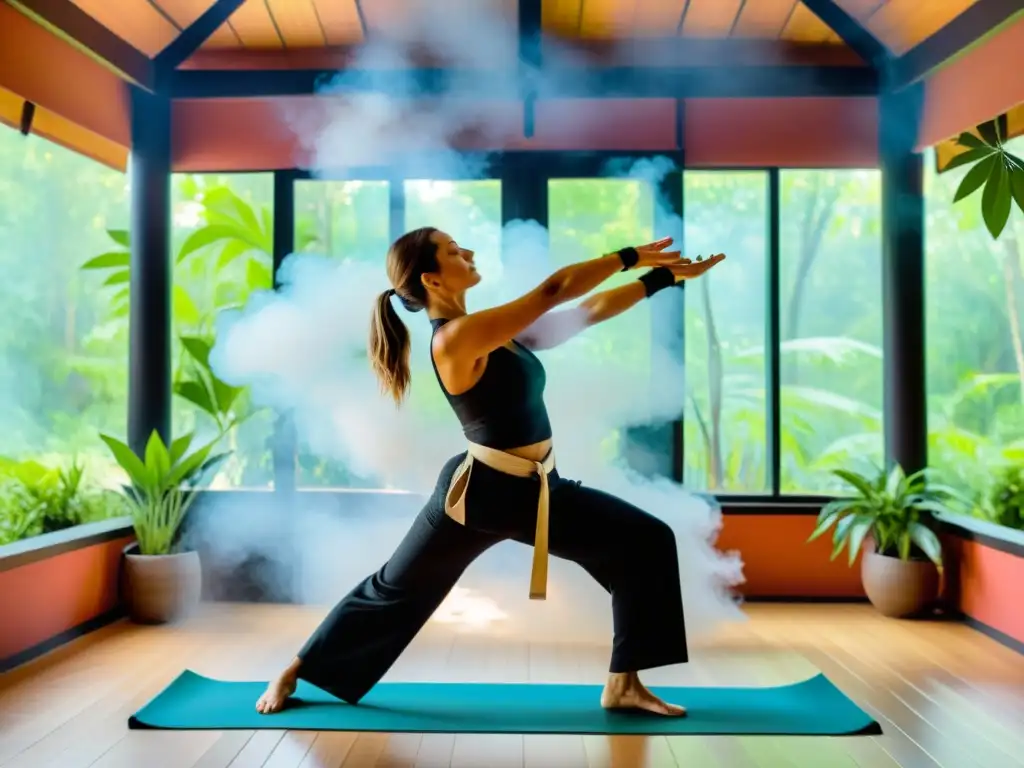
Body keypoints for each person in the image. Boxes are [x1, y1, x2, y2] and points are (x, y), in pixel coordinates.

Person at [255, 227, 726, 717]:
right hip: (482, 495)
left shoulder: (495, 333)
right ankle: (295, 669)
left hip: (530, 486)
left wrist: (662, 279)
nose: (469, 253)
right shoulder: (456, 338)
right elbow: (553, 290)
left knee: (643, 543)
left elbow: (587, 311)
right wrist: (629, 256)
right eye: (455, 252)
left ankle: (624, 684)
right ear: (432, 280)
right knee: (396, 587)